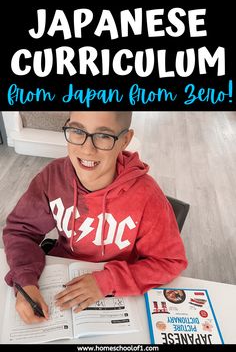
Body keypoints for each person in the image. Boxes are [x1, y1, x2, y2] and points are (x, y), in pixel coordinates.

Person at [3, 111, 188, 324]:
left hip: (118, 293)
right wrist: (25, 281)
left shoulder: (147, 196)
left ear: (125, 141)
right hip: (58, 281)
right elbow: (20, 231)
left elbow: (170, 262)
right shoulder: (51, 177)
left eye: (104, 136)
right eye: (77, 131)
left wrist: (107, 281)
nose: (87, 148)